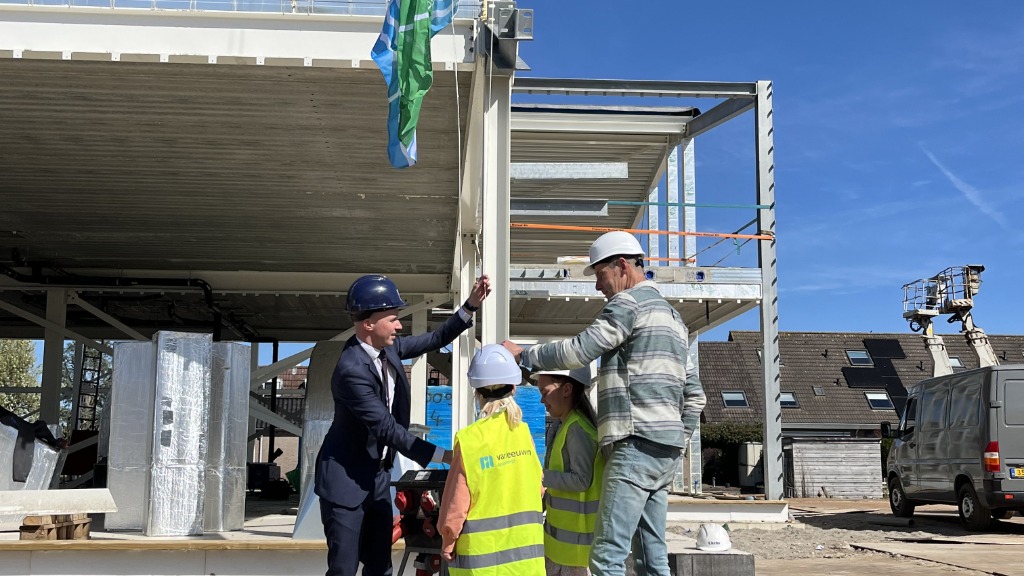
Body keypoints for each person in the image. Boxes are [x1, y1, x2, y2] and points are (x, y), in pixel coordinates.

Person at [502, 230, 706, 576]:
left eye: (600, 274)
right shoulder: (674, 320)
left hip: (635, 445)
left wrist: (525, 356)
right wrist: (675, 439)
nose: (598, 286)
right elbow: (696, 396)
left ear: (622, 266)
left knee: (606, 558)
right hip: (665, 451)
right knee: (651, 558)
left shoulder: (628, 304)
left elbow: (580, 349)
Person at [315, 273, 491, 576]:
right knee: (343, 569)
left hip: (377, 477)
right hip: (345, 483)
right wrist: (446, 456)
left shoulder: (389, 349)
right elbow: (387, 429)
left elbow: (435, 339)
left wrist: (470, 306)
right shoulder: (351, 371)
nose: (399, 326)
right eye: (393, 319)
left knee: (380, 566)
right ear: (368, 324)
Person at [437, 344, 545, 576]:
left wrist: (448, 540)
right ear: (514, 388)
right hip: (527, 564)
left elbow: (456, 504)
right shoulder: (523, 434)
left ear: (477, 392)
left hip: (481, 564)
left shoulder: (469, 440)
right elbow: (539, 488)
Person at [532, 366, 604, 576]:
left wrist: (540, 477)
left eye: (545, 392)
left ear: (566, 389)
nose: (542, 400)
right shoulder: (565, 425)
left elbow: (581, 480)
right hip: (563, 550)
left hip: (576, 555)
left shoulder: (578, 429)